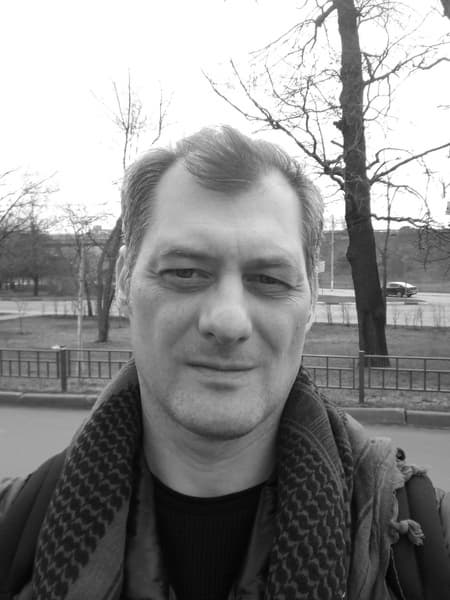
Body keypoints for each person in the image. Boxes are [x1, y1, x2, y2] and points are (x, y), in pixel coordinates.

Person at [1, 126, 449, 600]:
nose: (229, 321)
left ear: (312, 299)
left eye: (269, 279)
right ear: (124, 281)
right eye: (185, 272)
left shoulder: (427, 542)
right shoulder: (14, 529)